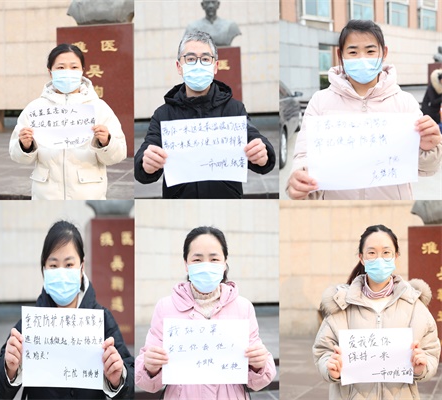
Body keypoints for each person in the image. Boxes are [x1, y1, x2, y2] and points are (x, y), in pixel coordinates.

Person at [287, 20, 442, 200]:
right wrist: (299, 177)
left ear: (384, 52)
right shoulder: (320, 101)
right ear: (340, 54)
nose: (362, 58)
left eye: (370, 51)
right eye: (353, 52)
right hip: (335, 207)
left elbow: (427, 169)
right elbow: (304, 155)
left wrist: (428, 147)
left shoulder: (404, 102)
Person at [0, 221, 134, 399]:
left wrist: (118, 379)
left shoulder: (102, 320)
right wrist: (9, 368)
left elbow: (131, 381)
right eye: (53, 266)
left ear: (82, 266)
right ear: (44, 268)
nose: (61, 272)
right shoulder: (31, 324)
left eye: (69, 264)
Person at [135, 226, 276, 399]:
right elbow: (146, 381)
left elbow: (258, 380)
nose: (206, 266)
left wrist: (258, 364)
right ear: (186, 264)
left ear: (224, 263)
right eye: (197, 259)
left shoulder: (243, 307)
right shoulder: (165, 307)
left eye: (214, 259)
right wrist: (150, 367)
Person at [134, 31, 276, 199]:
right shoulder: (164, 114)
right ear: (179, 66)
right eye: (191, 59)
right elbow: (144, 157)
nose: (198, 65)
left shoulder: (234, 109)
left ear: (215, 66)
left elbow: (254, 137)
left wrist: (263, 153)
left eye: (206, 59)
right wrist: (146, 162)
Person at [313, 225, 440, 399]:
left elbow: (431, 351)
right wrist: (330, 368)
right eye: (372, 253)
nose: (379, 259)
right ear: (362, 258)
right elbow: (322, 350)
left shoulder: (414, 305)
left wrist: (421, 367)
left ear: (396, 256)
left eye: (386, 252)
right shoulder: (341, 305)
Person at [9, 44, 127, 200]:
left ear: (82, 71)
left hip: (88, 194)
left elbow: (118, 155)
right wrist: (25, 146)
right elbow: (17, 155)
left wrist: (106, 142)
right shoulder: (36, 109)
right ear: (50, 72)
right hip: (46, 196)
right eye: (60, 67)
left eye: (74, 67)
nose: (67, 72)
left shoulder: (98, 107)